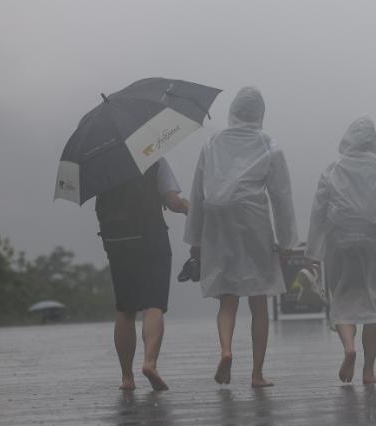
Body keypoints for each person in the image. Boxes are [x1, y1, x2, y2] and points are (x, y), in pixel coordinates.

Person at [183, 86, 298, 388]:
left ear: (233, 111)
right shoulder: (268, 144)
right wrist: (287, 243)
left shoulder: (212, 143)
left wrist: (196, 237)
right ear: (260, 113)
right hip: (252, 218)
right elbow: (281, 196)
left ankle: (225, 350)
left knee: (227, 296)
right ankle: (257, 374)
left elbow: (198, 191)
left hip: (217, 219)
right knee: (258, 299)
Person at [305, 115, 376, 384]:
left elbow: (318, 210)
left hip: (341, 240)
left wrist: (312, 252)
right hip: (374, 242)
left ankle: (349, 348)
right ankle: (369, 371)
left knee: (343, 296)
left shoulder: (333, 168)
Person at [96, 157, 188, 391]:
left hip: (117, 241)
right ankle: (149, 362)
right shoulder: (153, 158)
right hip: (151, 237)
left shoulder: (101, 163)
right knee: (153, 304)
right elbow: (173, 202)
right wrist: (191, 209)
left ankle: (127, 378)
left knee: (125, 309)